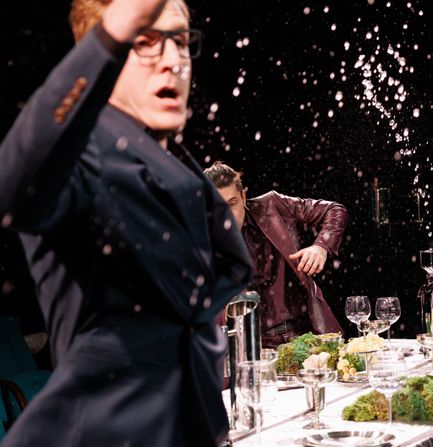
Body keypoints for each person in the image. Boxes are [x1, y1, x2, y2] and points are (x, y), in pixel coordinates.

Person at [0, 1, 252, 446]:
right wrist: (113, 30)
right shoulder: (78, 157)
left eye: (180, 41)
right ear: (105, 57)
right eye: (145, 42)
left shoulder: (179, 171)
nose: (173, 61)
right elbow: (16, 183)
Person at [204, 162, 348, 348]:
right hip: (250, 347)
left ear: (243, 197)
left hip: (305, 335)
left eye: (232, 203)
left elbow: (334, 210)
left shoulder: (271, 206)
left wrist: (321, 247)